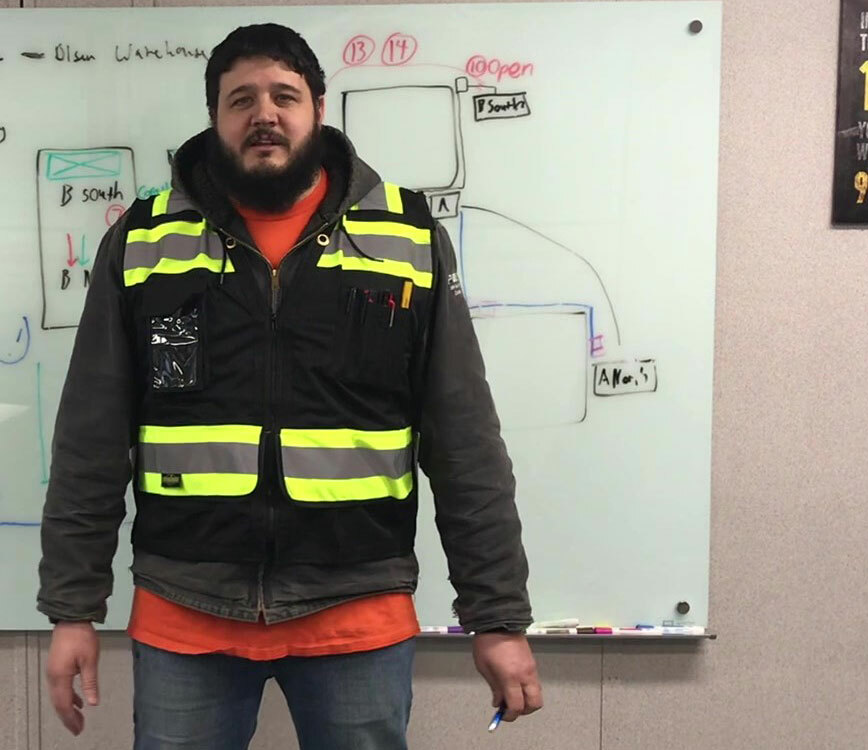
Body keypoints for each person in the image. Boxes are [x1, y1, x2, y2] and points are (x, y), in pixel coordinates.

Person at [35, 22, 542, 749]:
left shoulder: (407, 237)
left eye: (284, 95)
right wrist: (73, 610)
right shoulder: (144, 240)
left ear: (319, 108)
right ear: (215, 119)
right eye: (240, 99)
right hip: (186, 610)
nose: (263, 113)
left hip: (358, 612)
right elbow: (91, 434)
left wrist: (497, 618)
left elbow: (465, 442)